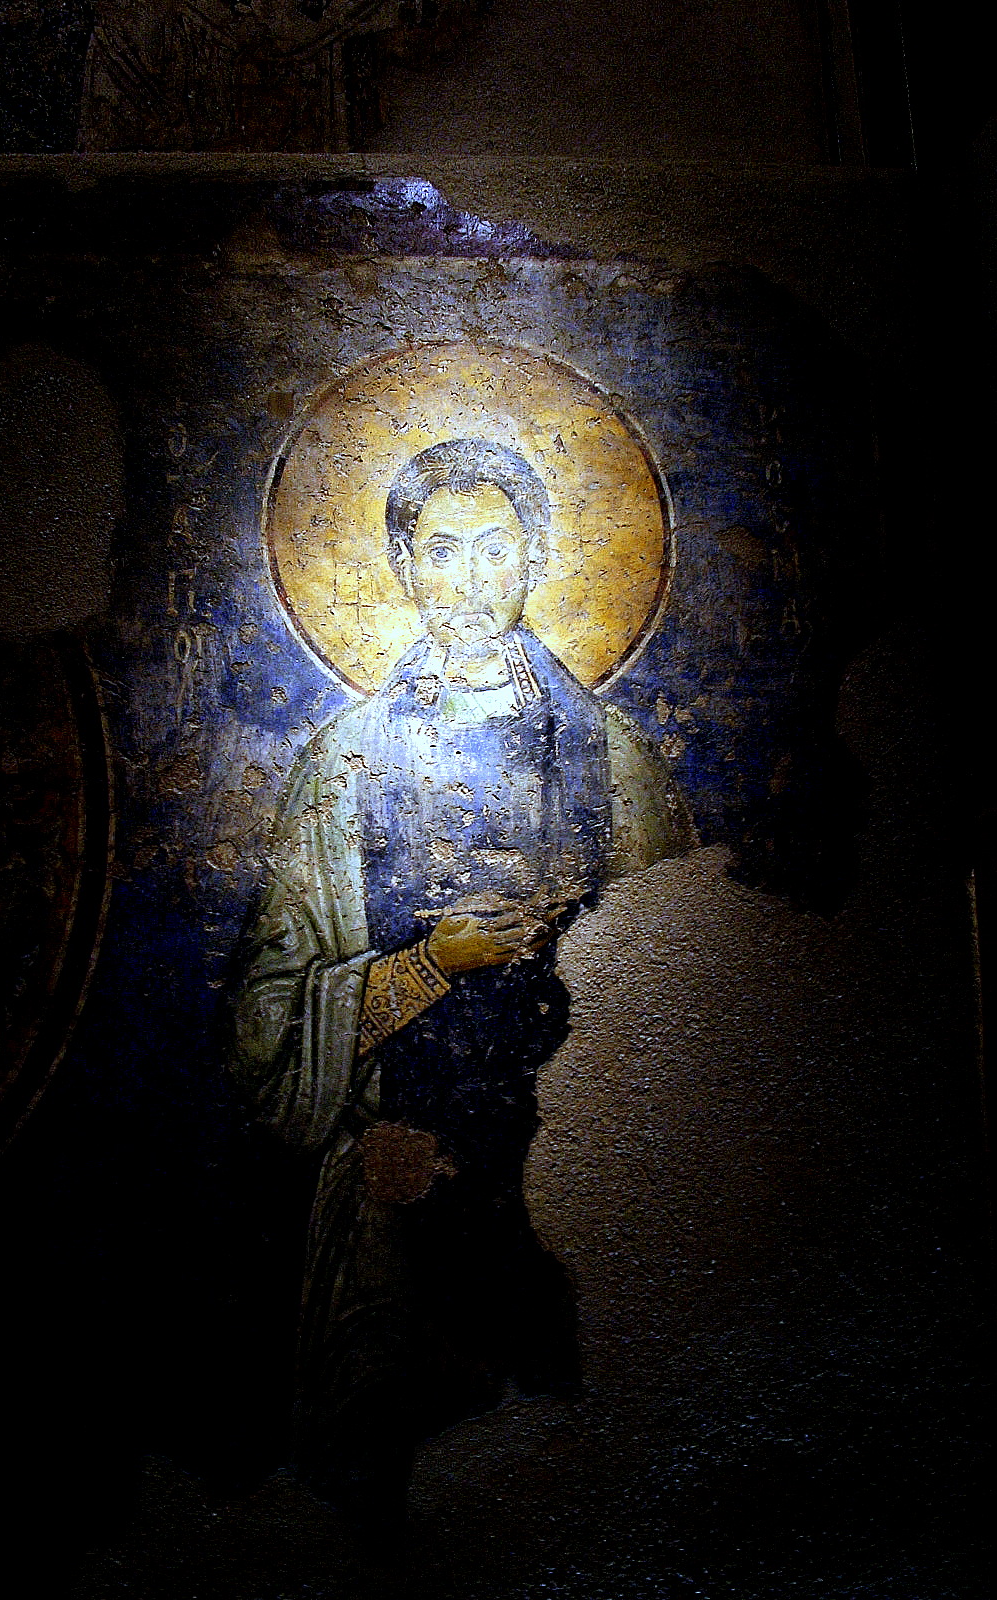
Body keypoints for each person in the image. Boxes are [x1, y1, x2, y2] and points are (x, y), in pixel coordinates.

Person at [230, 438, 690, 1527]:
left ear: (536, 559)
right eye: (441, 551)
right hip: (392, 1188)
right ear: (401, 567)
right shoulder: (342, 765)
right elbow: (263, 1025)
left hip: (586, 1190)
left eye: (494, 549)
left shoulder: (616, 760)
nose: (470, 581)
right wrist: (425, 967)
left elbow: (689, 997)